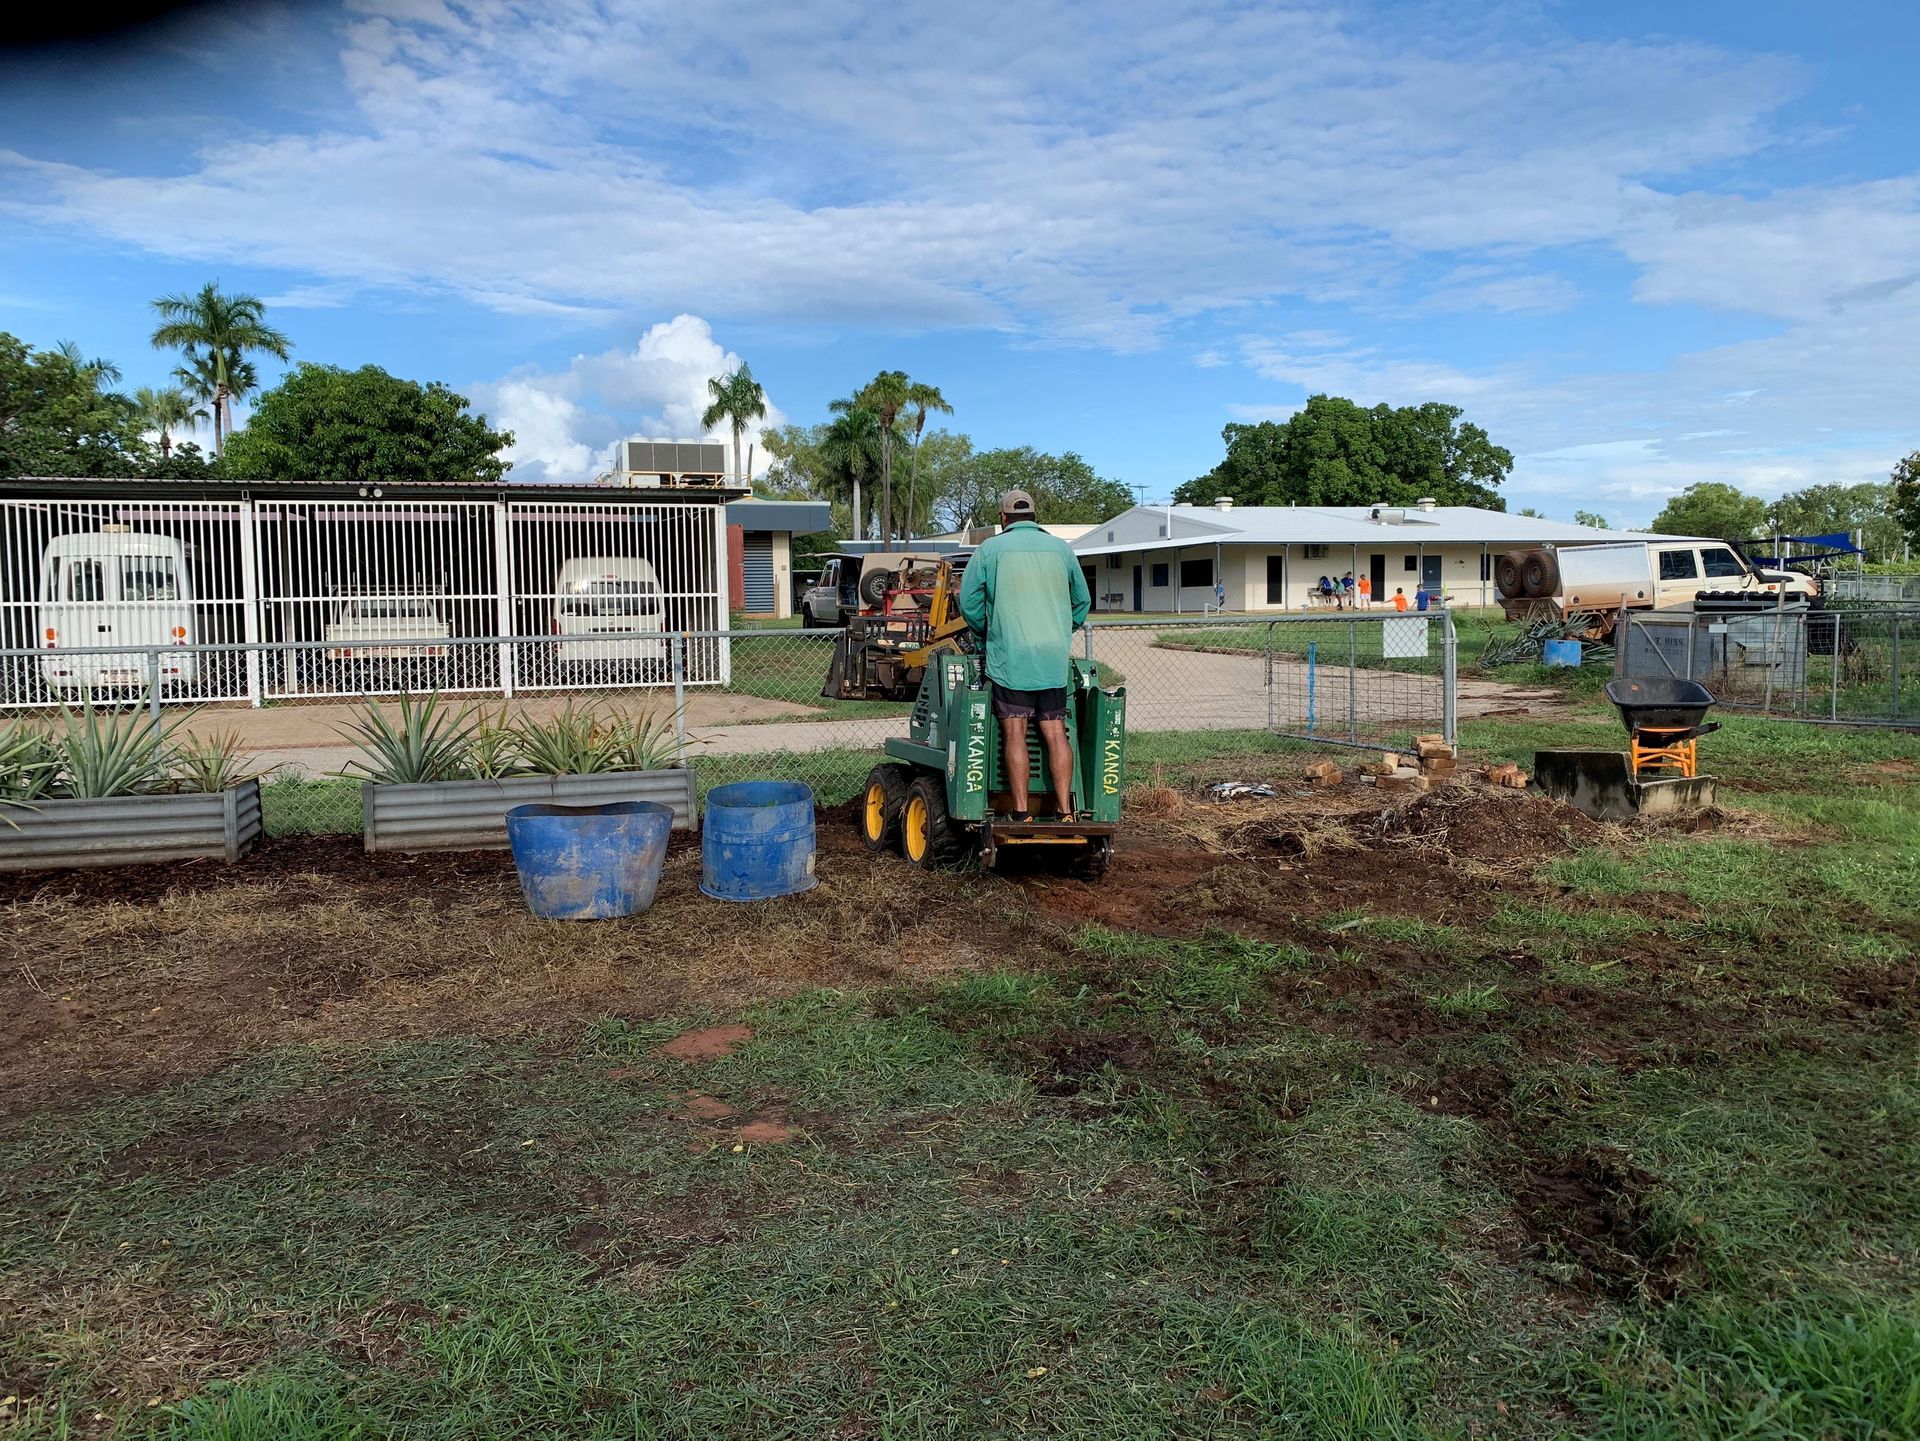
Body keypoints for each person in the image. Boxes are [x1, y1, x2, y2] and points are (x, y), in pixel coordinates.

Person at [958, 490, 1091, 822]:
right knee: (1055, 730)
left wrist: (986, 633)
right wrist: (1063, 630)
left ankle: (1020, 812)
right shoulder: (1061, 549)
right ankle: (1065, 811)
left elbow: (969, 603)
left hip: (1010, 656)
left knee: (1014, 731)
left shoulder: (990, 550)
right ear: (1034, 516)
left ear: (1004, 519)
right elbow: (1082, 602)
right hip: (1051, 658)